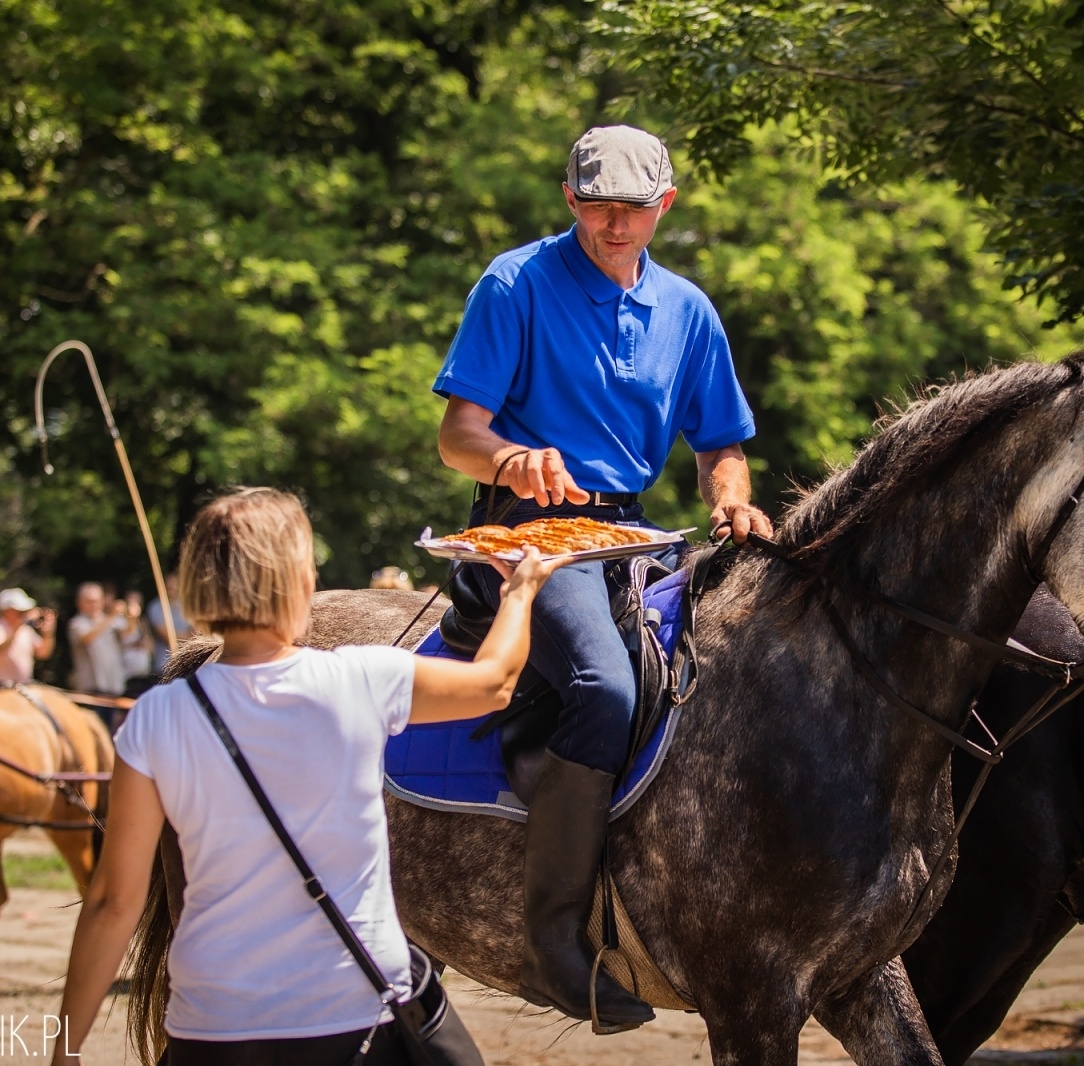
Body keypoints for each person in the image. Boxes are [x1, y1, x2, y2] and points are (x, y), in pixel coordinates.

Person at [433, 124, 772, 1027]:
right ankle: (552, 938)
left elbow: (720, 447)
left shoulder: (689, 311)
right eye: (596, 206)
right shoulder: (516, 283)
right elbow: (455, 434)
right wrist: (511, 461)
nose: (615, 224)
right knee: (606, 687)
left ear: (667, 205)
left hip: (641, 534)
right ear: (568, 198)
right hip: (529, 533)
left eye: (634, 208)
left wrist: (733, 501)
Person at [51, 487, 563, 1065]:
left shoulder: (155, 718)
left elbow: (114, 904)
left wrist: (66, 1051)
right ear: (294, 582)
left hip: (211, 1025)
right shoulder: (359, 679)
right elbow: (494, 682)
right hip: (352, 1016)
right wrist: (519, 592)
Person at [0, 587, 56, 683]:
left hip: (23, 688)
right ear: (7, 610)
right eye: (19, 610)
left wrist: (48, 634)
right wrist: (17, 626)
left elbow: (43, 653)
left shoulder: (26, 630)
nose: (23, 613)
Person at [68, 581, 128, 696]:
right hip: (90, 688)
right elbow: (87, 638)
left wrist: (132, 615)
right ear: (79, 602)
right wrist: (111, 616)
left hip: (113, 686)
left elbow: (127, 633)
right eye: (89, 601)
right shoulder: (77, 623)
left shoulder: (110, 620)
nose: (94, 605)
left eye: (96, 600)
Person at [149, 571, 195, 677]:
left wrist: (187, 638)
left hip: (185, 665)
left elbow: (195, 634)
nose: (172, 588)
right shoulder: (155, 607)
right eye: (169, 585)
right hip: (164, 665)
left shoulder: (187, 607)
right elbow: (167, 636)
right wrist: (186, 638)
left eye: (175, 585)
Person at [119, 589, 156, 690]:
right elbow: (123, 638)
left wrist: (146, 644)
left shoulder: (143, 622)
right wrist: (132, 618)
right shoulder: (119, 621)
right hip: (126, 674)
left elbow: (151, 647)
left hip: (143, 673)